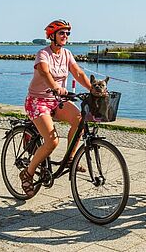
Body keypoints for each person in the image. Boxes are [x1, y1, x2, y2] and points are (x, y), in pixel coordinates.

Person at [19, 19, 93, 197]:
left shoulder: (67, 54)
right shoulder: (43, 54)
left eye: (67, 33)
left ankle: (69, 159)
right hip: (37, 100)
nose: (65, 36)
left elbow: (79, 73)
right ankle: (27, 174)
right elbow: (44, 72)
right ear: (52, 36)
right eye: (62, 33)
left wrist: (93, 90)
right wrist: (55, 87)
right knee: (52, 141)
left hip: (56, 100)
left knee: (79, 119)